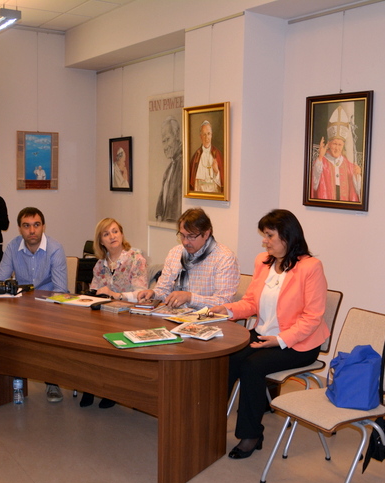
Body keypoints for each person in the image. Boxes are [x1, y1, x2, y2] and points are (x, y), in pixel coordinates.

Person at [210, 209, 329, 459]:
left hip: (298, 343)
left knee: (252, 367)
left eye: (269, 236)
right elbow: (251, 303)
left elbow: (313, 317)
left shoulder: (310, 267)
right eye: (264, 236)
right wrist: (227, 310)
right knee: (226, 359)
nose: (265, 241)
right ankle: (209, 424)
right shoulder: (263, 261)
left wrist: (280, 340)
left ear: (287, 236)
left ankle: (251, 435)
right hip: (264, 334)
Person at [0, 206, 68, 403]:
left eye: (36, 225)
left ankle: (52, 381)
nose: (32, 231)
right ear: (20, 228)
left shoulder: (55, 248)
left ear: (43, 226)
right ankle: (14, 375)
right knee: (1, 327)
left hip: (49, 304)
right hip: (22, 304)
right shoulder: (13, 247)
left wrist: (42, 309)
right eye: (26, 226)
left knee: (49, 330)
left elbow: (60, 290)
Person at [80, 217, 148, 408]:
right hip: (104, 316)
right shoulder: (100, 265)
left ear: (122, 234)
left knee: (107, 337)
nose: (112, 236)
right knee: (86, 336)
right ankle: (90, 385)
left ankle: (111, 389)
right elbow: (95, 292)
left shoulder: (136, 259)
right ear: (101, 241)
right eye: (106, 234)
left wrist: (116, 295)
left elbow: (141, 295)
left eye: (115, 231)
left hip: (129, 316)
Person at [137, 208, 240, 309]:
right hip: (174, 315)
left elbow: (223, 302)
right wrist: (153, 294)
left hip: (207, 317)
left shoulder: (225, 258)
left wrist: (190, 298)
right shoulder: (175, 253)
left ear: (206, 234)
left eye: (191, 236)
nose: (185, 242)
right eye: (182, 235)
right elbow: (163, 290)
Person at [310, 106, 361, 201]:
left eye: (339, 145)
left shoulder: (348, 165)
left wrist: (357, 175)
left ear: (343, 146)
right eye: (334, 144)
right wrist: (320, 157)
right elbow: (314, 183)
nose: (337, 148)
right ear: (329, 144)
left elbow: (357, 190)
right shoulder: (321, 162)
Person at [155, 116, 182, 222]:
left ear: (176, 136)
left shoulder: (183, 164)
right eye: (163, 141)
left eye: (168, 139)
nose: (165, 146)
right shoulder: (169, 169)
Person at [189, 121, 224, 194]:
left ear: (211, 135)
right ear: (200, 137)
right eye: (204, 134)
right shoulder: (196, 156)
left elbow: (223, 182)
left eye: (208, 134)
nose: (206, 138)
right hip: (199, 195)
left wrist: (217, 171)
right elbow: (192, 182)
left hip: (214, 195)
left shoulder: (217, 154)